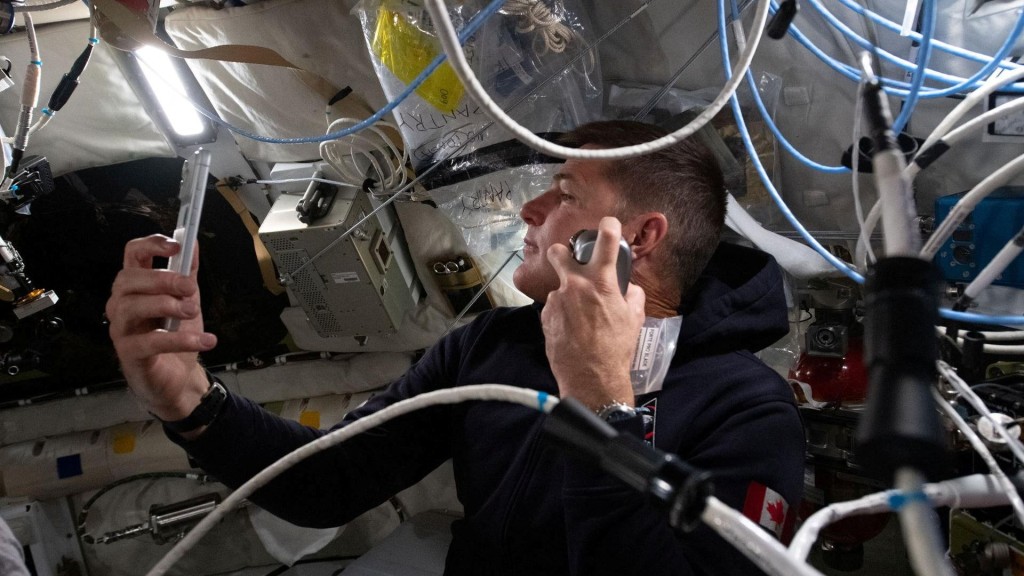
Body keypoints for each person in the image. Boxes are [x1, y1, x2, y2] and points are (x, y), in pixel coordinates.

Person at [106, 120, 805, 575]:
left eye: (563, 194)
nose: (530, 210)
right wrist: (188, 398)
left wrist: (602, 406)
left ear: (639, 238)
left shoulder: (750, 409)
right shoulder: (490, 345)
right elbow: (330, 482)